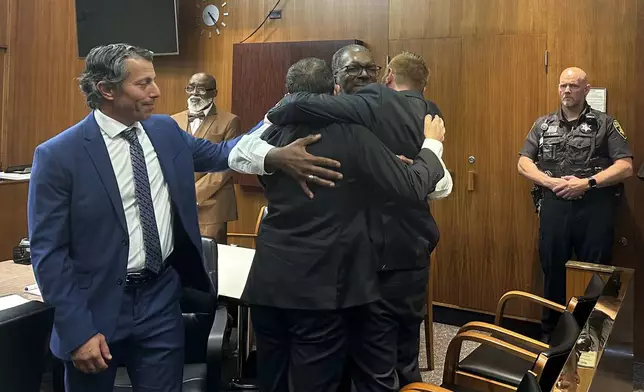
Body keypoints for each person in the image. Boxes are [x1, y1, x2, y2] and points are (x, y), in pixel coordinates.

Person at [27, 43, 342, 392]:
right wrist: (76, 331)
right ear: (107, 89)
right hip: (95, 310)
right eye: (143, 83)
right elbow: (49, 253)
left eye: (154, 80)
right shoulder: (59, 155)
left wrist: (277, 143)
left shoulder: (164, 131)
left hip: (160, 302)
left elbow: (225, 153)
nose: (156, 92)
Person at [241, 57, 446, 392]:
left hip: (268, 282)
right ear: (334, 90)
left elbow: (239, 156)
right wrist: (432, 146)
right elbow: (411, 186)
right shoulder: (352, 136)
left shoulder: (270, 136)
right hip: (321, 289)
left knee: (272, 378)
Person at [518, 67, 633, 340]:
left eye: (573, 85)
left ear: (586, 90)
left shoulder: (605, 124)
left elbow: (625, 166)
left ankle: (592, 339)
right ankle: (551, 337)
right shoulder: (543, 125)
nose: (567, 91)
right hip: (554, 208)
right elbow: (523, 163)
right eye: (563, 86)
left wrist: (587, 183)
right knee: (553, 270)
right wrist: (551, 183)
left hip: (594, 209)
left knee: (596, 274)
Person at [171, 72, 241, 244]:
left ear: (214, 93)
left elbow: (228, 164)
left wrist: (193, 194)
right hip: (178, 203)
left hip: (213, 204)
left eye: (201, 89)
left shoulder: (230, 121)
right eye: (191, 87)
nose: (194, 93)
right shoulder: (172, 120)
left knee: (211, 261)